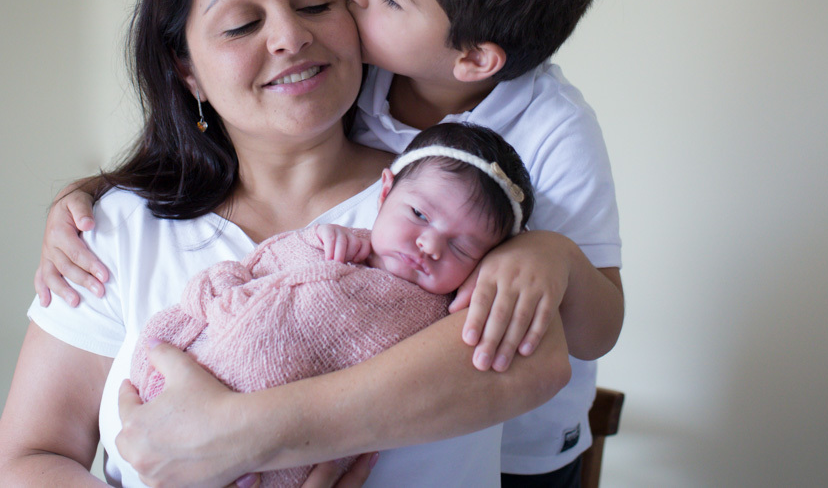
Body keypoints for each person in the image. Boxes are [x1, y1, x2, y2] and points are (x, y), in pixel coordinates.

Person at [36, 0, 625, 486]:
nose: (293, 34)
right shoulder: (116, 228)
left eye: (316, 2)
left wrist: (250, 436)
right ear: (185, 68)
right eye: (241, 23)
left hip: (537, 451)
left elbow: (549, 353)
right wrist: (96, 191)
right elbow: (32, 455)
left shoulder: (457, 207)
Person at [132, 122, 535, 488]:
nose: (429, 245)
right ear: (385, 191)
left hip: (286, 454)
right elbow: (249, 269)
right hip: (197, 367)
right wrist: (311, 246)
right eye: (418, 214)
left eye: (462, 246)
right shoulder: (331, 243)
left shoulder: (442, 318)